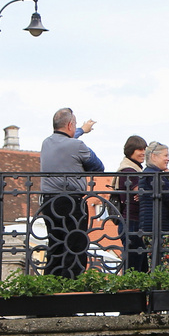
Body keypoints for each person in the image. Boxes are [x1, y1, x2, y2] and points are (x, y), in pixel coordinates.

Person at [39, 108, 103, 278]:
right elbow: (98, 167)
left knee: (56, 243)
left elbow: (65, 141)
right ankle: (72, 284)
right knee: (76, 243)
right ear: (70, 125)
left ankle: (51, 283)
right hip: (71, 200)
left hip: (49, 201)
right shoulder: (77, 146)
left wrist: (82, 130)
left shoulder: (46, 143)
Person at [137, 142, 169, 267]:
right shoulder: (156, 176)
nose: (168, 159)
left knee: (153, 263)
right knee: (162, 265)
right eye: (165, 155)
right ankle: (161, 286)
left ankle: (156, 284)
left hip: (148, 226)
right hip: (161, 226)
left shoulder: (147, 174)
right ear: (153, 156)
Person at [113, 137, 147, 272]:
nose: (143, 152)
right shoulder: (129, 170)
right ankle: (131, 291)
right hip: (131, 221)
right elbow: (140, 194)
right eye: (140, 149)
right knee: (134, 265)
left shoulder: (134, 169)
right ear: (131, 151)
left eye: (144, 149)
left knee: (138, 262)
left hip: (131, 221)